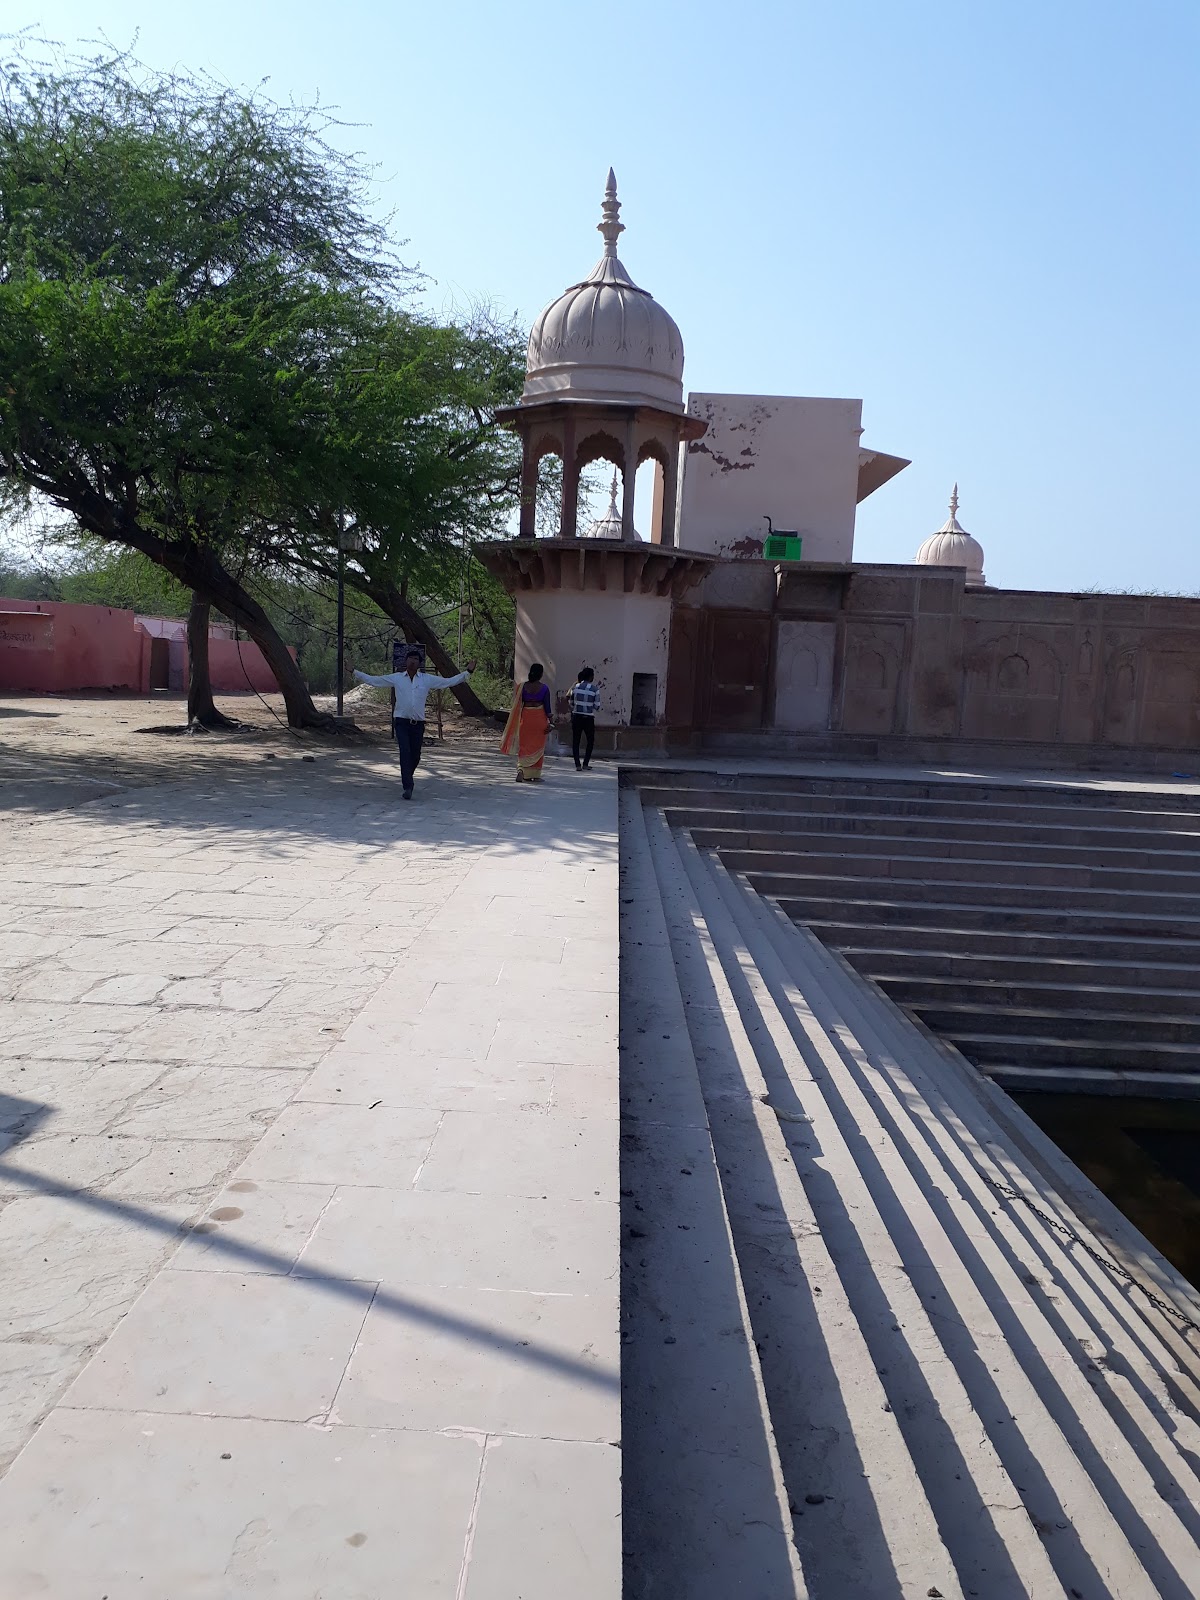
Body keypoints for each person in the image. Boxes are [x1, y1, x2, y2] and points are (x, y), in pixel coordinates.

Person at [353, 646, 475, 800]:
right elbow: (374, 680)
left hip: (418, 723)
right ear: (406, 661)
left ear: (419, 664)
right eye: (410, 658)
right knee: (405, 752)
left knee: (415, 755)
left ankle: (407, 776)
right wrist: (354, 671)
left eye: (416, 659)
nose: (412, 661)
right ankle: (408, 786)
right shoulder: (397, 678)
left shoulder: (426, 679)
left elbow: (448, 682)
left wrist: (467, 672)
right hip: (401, 722)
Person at [500, 663, 554, 782]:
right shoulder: (544, 688)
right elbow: (548, 709)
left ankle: (521, 770)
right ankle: (535, 775)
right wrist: (552, 723)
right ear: (541, 674)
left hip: (525, 720)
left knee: (524, 746)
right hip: (539, 720)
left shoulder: (521, 687)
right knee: (538, 747)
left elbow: (517, 706)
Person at [568, 667, 599, 771]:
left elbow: (571, 703)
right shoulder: (595, 689)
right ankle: (585, 764)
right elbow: (597, 706)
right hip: (588, 718)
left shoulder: (575, 687)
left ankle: (577, 765)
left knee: (576, 740)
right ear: (591, 677)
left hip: (576, 717)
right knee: (590, 741)